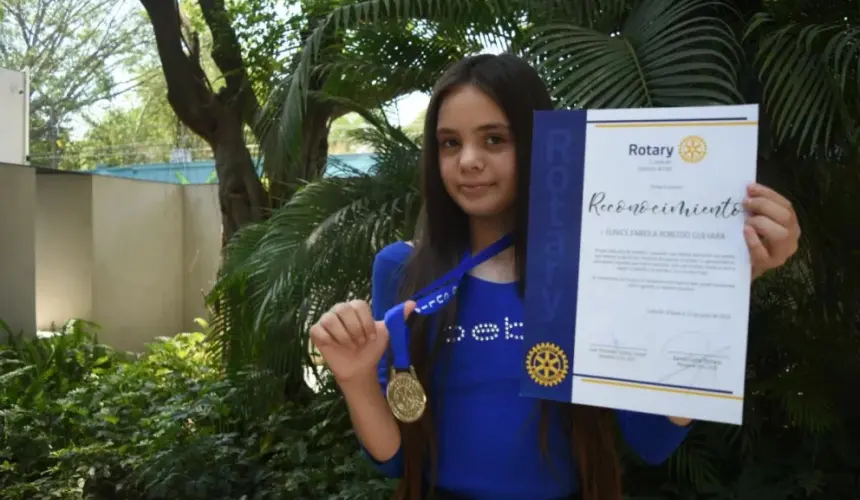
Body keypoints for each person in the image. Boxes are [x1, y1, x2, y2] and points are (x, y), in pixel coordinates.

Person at [309, 54, 801, 500]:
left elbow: (651, 440)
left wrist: (720, 288)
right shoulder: (401, 268)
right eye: (449, 143)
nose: (469, 160)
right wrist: (354, 378)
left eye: (495, 139)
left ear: (540, 145)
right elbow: (393, 459)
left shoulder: (595, 271)